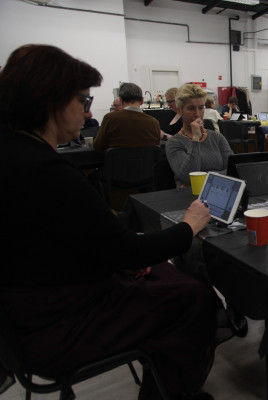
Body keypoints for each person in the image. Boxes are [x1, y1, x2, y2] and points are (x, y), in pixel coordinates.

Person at [0, 44, 224, 400]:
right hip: (55, 326)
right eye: (84, 101)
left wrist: (120, 255)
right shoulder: (47, 173)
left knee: (164, 274)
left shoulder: (15, 156)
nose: (88, 111)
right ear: (50, 101)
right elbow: (129, 250)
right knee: (193, 297)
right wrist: (189, 226)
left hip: (27, 311)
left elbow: (57, 242)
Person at [166, 84, 233, 187]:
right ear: (179, 111)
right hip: (190, 195)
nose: (197, 114)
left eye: (201, 108)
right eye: (191, 108)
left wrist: (201, 179)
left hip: (218, 191)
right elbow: (188, 177)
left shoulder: (217, 137)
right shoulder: (174, 143)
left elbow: (233, 170)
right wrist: (195, 139)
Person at [94, 82, 161, 152]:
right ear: (142, 101)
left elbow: (98, 146)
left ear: (121, 100)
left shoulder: (110, 118)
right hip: (146, 159)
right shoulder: (154, 122)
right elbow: (156, 149)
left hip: (118, 159)